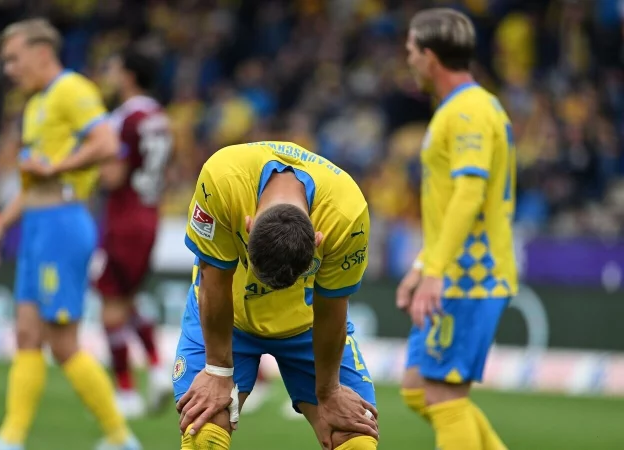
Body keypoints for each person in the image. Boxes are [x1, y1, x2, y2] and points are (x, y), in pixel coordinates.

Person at [0, 19, 140, 450]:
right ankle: (10, 438)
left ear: (41, 53)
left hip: (62, 224)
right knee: (26, 335)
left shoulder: (71, 89)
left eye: (13, 58)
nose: (8, 69)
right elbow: (33, 182)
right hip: (36, 225)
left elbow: (107, 143)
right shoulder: (37, 104)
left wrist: (57, 167)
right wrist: (0, 226)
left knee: (63, 343)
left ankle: (120, 438)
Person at [173, 141, 380, 450]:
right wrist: (217, 370)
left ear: (318, 239)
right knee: (203, 430)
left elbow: (331, 309)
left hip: (307, 324)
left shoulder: (346, 215)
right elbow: (214, 280)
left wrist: (329, 392)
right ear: (248, 225)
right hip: (230, 315)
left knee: (355, 439)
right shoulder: (222, 179)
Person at [397, 8, 516, 450]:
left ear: (430, 57)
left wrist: (436, 271)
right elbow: (448, 203)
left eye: (411, 51)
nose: (408, 60)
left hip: (471, 273)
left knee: (444, 398)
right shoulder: (462, 108)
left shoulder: (468, 111)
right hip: (453, 268)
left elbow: (469, 194)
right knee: (417, 388)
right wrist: (423, 265)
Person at [96, 47, 173, 418]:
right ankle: (157, 367)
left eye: (114, 67)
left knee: (110, 304)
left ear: (128, 75)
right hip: (149, 214)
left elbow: (112, 175)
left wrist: (85, 161)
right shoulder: (160, 118)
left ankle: (125, 392)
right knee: (127, 299)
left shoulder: (124, 118)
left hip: (123, 217)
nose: (110, 74)